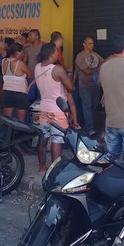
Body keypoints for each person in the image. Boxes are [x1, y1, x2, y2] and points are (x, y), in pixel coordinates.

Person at [35, 43, 78, 174]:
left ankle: (42, 168)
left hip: (43, 108)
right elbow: (71, 88)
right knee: (57, 139)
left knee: (43, 138)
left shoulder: (37, 67)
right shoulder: (57, 69)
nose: (57, 54)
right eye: (56, 52)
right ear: (52, 54)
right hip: (58, 109)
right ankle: (55, 171)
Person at [74, 37, 104, 132]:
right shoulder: (80, 56)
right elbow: (86, 71)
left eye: (92, 43)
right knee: (87, 106)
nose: (92, 45)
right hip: (84, 85)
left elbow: (104, 63)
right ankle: (90, 128)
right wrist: (98, 68)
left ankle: (91, 126)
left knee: (93, 107)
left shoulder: (96, 55)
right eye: (89, 43)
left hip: (95, 85)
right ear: (84, 44)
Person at [2, 42, 32, 122]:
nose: (22, 54)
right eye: (22, 52)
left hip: (6, 92)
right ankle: (20, 134)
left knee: (8, 120)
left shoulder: (4, 61)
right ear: (17, 52)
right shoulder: (20, 63)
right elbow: (29, 75)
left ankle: (9, 134)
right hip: (20, 94)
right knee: (21, 121)